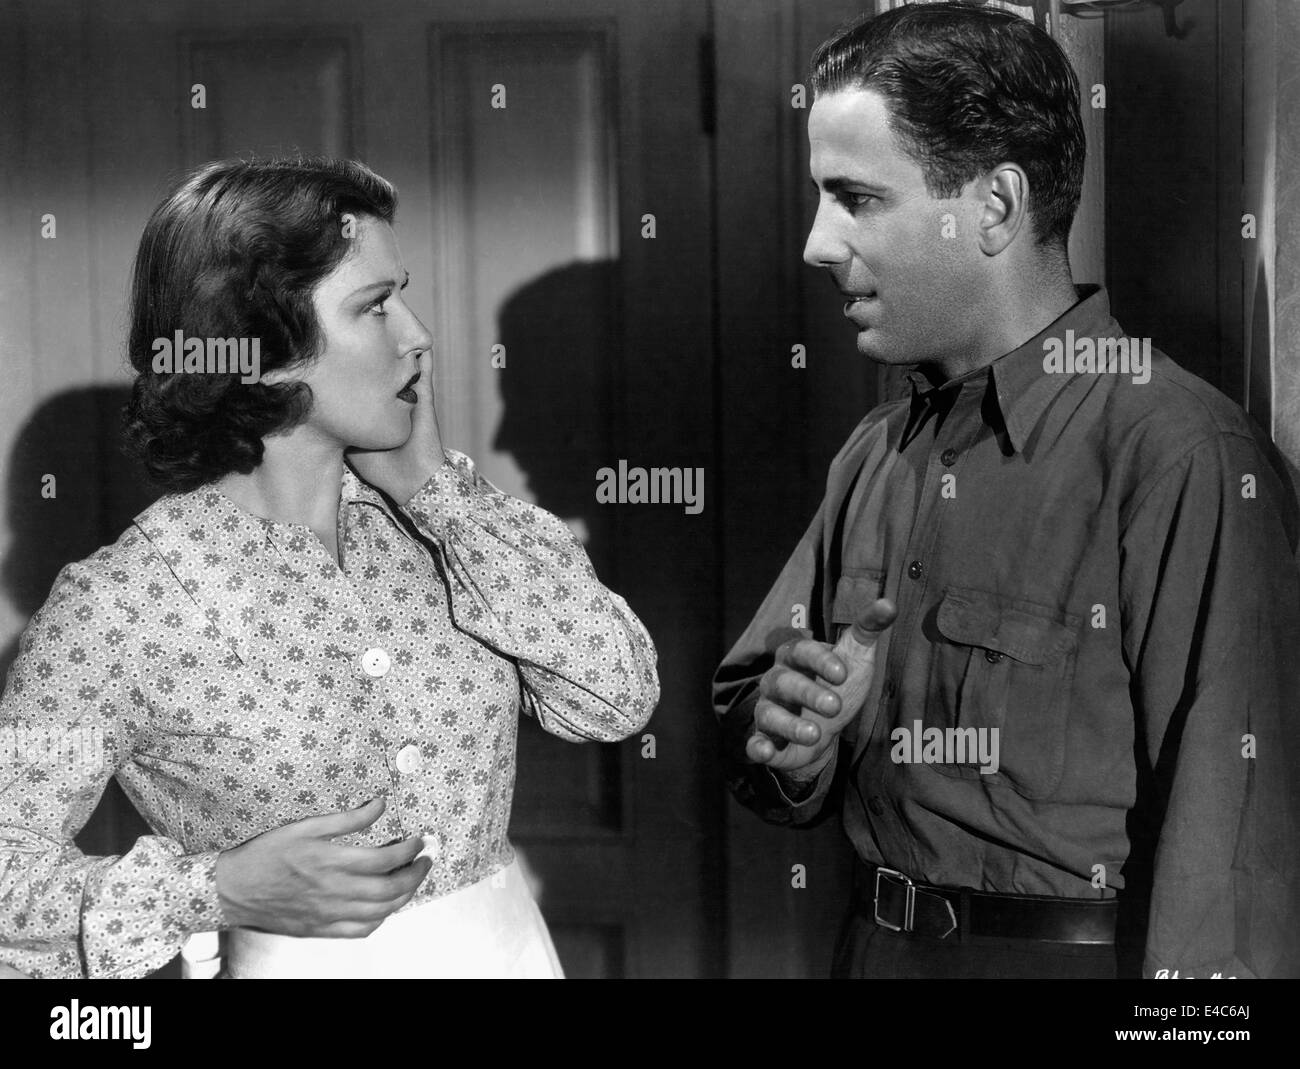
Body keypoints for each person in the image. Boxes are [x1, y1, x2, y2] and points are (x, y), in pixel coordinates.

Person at [713, 2, 1300, 979]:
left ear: (991, 208)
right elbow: (760, 735)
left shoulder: (1178, 453)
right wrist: (790, 736)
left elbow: (1230, 867)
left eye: (856, 198)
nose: (818, 241)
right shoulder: (873, 452)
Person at [0, 156, 659, 979]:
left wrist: (433, 492)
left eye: (402, 295)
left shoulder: (445, 528)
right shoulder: (120, 606)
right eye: (375, 307)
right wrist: (213, 890)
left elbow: (617, 694)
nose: (416, 335)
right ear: (262, 353)